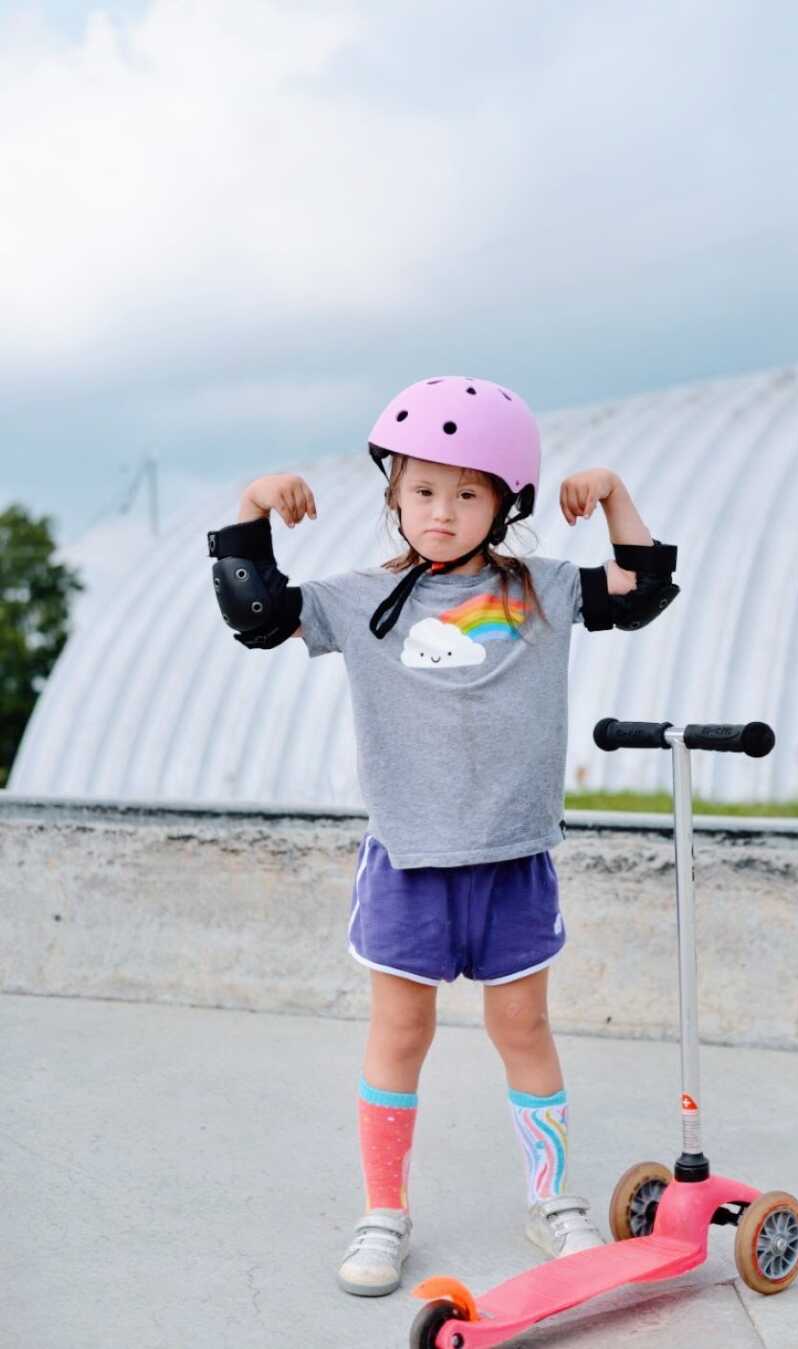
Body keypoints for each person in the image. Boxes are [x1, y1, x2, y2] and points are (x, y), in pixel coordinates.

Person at [206, 375, 679, 1298]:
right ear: (394, 495)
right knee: (399, 1031)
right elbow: (255, 614)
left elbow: (641, 589)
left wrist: (615, 493)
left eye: (470, 493)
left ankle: (551, 1200)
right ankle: (384, 1211)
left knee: (525, 1027)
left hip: (514, 859)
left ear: (506, 504)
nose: (444, 510)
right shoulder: (357, 598)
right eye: (423, 489)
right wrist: (251, 507)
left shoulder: (541, 587)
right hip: (410, 863)